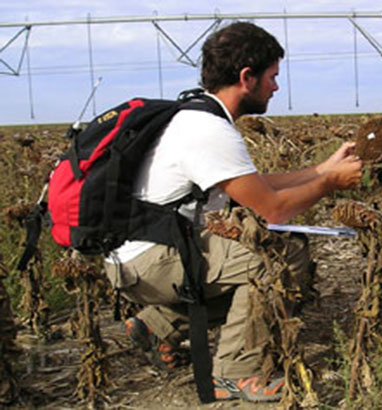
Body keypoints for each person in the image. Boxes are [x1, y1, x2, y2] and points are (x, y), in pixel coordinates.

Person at [102, 21, 362, 402]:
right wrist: (331, 184)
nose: (276, 86)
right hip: (150, 261)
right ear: (247, 77)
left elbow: (255, 185)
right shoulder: (208, 130)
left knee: (246, 262)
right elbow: (273, 208)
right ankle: (236, 374)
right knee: (278, 252)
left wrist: (323, 168)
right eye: (272, 76)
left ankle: (155, 326)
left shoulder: (195, 116)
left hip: (142, 253)